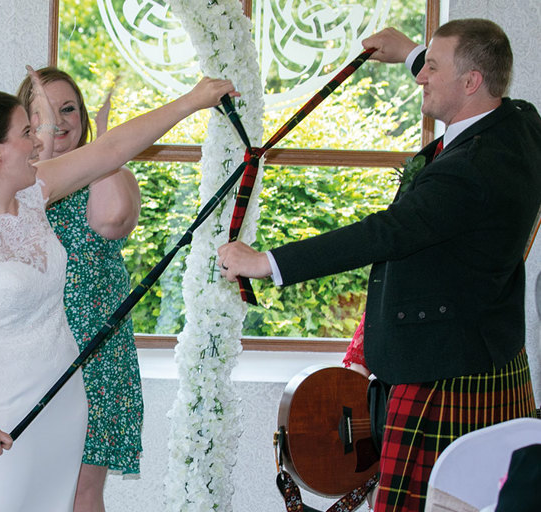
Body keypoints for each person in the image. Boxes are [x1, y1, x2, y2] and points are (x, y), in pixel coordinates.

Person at [217, 19, 541, 512]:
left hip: (440, 371)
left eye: (432, 67)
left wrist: (267, 263)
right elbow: (464, 79)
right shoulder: (520, 124)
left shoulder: (470, 170)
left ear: (471, 82)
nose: (420, 77)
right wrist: (412, 50)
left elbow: (384, 233)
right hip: (487, 356)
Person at [0, 72, 234, 512]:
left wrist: (191, 101)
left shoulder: (34, 196)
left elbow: (112, 149)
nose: (39, 141)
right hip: (2, 412)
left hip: (64, 401)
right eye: (27, 132)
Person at [16, 68, 143, 512]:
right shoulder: (17, 180)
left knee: (82, 490)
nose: (59, 119)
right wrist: (44, 143)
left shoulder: (110, 172)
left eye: (68, 108)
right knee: (31, 482)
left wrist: (106, 147)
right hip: (32, 350)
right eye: (44, 111)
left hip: (96, 351)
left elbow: (112, 219)